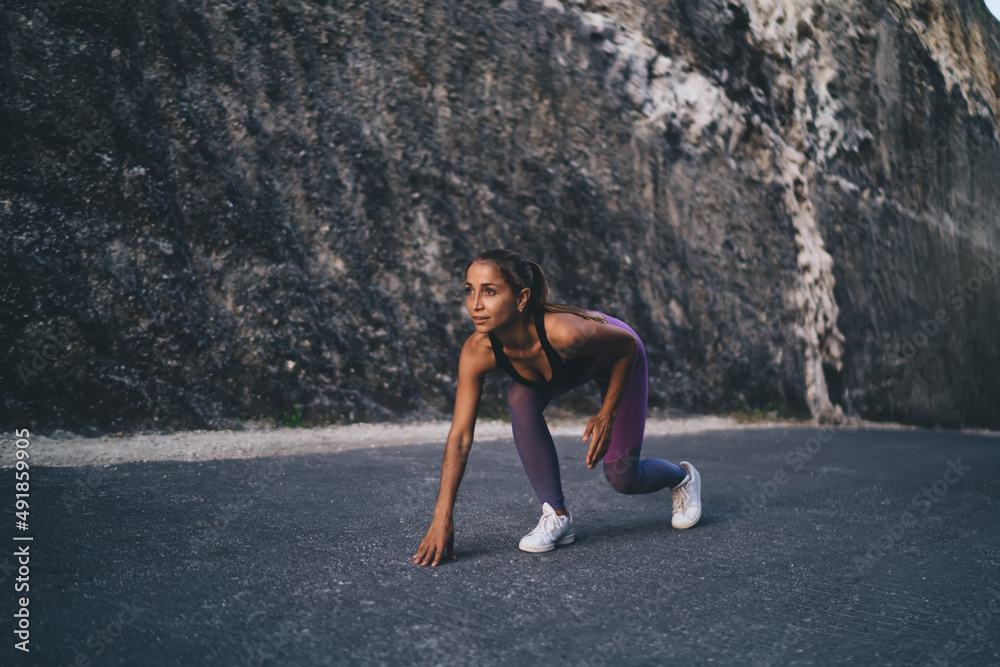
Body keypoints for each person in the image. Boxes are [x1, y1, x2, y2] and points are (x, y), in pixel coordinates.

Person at [413, 248, 702, 567]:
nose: (476, 304)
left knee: (624, 480)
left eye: (490, 291)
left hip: (619, 357)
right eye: (470, 290)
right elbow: (460, 437)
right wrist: (442, 517)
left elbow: (626, 346)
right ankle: (557, 515)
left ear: (521, 298)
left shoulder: (566, 332)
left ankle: (683, 477)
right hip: (564, 366)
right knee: (519, 397)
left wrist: (608, 413)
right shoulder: (478, 351)